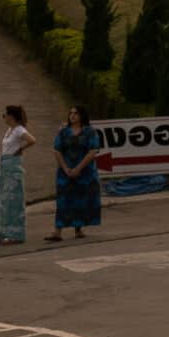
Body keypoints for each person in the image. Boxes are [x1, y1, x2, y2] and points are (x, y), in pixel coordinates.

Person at [46, 104, 103, 243]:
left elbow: (94, 150)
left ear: (82, 115)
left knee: (82, 199)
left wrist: (79, 168)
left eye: (76, 113)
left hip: (85, 172)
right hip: (65, 171)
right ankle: (57, 231)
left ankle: (78, 228)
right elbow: (56, 150)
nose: (72, 115)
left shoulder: (89, 132)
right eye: (71, 113)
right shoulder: (63, 131)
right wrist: (66, 168)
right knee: (63, 200)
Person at [0, 104, 33, 245]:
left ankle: (15, 234)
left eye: (5, 115)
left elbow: (32, 140)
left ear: (11, 116)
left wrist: (20, 149)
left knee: (13, 201)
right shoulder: (9, 130)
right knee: (4, 201)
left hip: (13, 167)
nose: (4, 117)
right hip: (5, 166)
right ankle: (2, 232)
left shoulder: (19, 130)